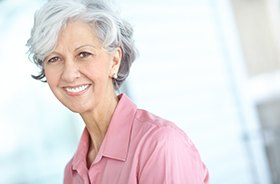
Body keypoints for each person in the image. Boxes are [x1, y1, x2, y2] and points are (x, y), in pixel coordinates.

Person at [27, 0, 209, 183]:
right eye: (54, 59)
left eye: (83, 54)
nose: (68, 74)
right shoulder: (72, 172)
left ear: (114, 61)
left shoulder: (159, 145)